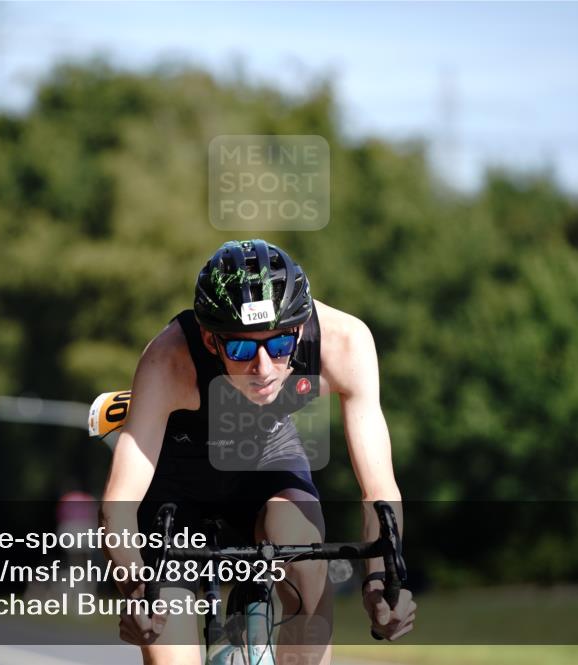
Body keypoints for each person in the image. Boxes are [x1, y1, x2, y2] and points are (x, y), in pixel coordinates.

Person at [100, 239, 415, 665]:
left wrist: (381, 582)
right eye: (242, 349)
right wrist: (137, 591)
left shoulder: (345, 343)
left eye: (280, 345)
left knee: (306, 555)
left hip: (268, 457)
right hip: (178, 478)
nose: (263, 367)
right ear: (211, 341)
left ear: (300, 329)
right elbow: (118, 505)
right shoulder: (168, 360)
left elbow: (378, 487)